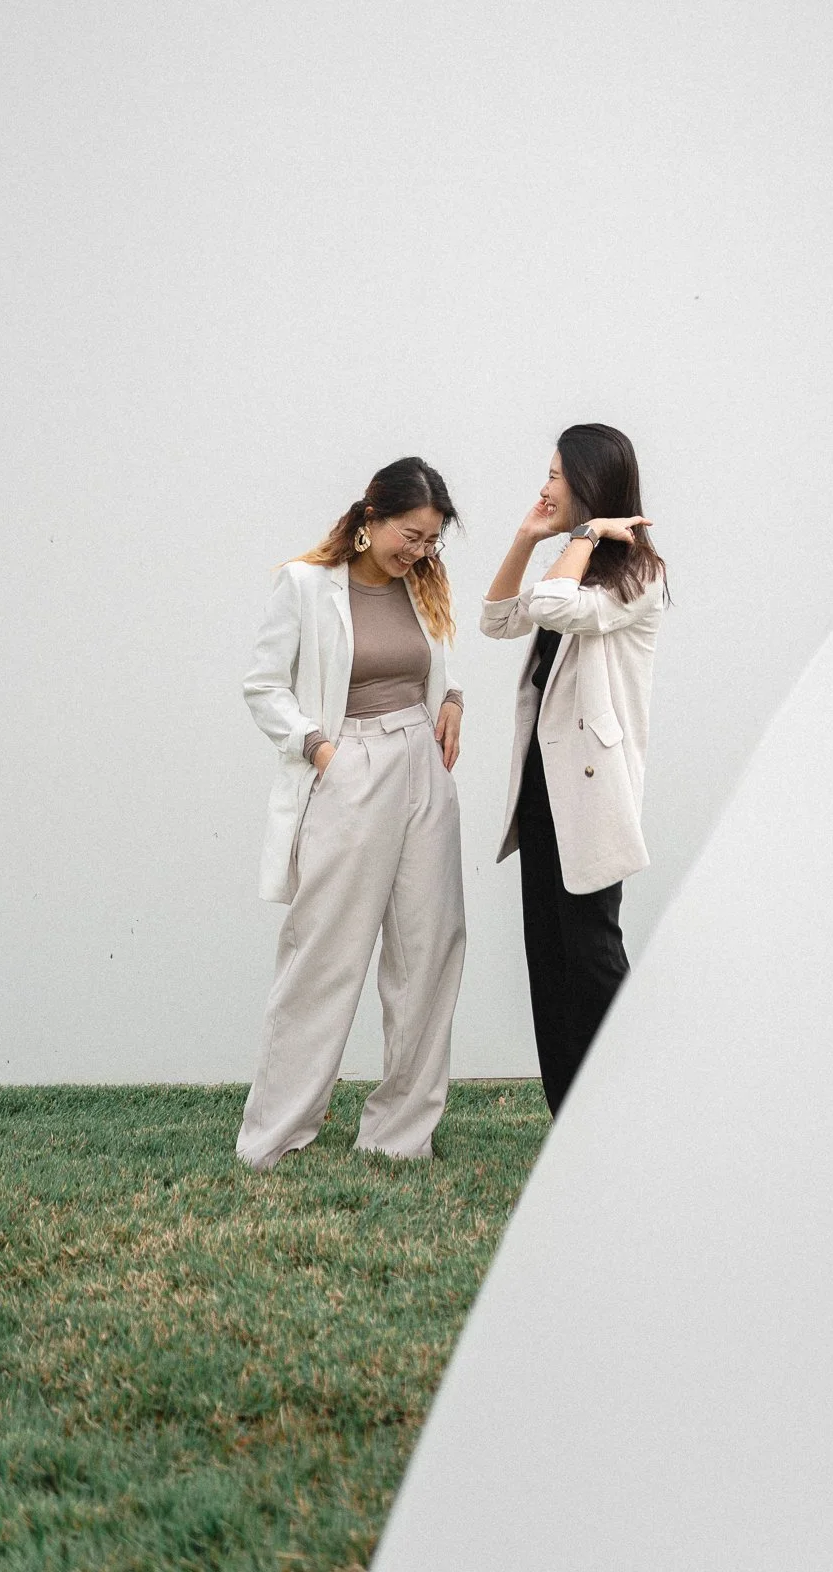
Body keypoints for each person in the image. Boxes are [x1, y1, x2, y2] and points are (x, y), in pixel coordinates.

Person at [236, 457, 466, 1170]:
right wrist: (318, 748)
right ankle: (275, 1135)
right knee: (324, 954)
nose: (419, 551)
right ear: (371, 519)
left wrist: (453, 700)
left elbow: (434, 661)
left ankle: (400, 1135)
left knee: (429, 952)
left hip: (422, 765)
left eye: (431, 539)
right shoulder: (305, 584)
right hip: (350, 763)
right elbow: (264, 686)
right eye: (409, 535)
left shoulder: (423, 581)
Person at [482, 424, 666, 1116]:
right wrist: (529, 537)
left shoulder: (639, 572)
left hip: (590, 789)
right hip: (541, 786)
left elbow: (555, 608)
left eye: (556, 474)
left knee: (591, 953)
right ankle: (571, 1121)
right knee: (549, 957)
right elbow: (497, 620)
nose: (545, 486)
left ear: (589, 483)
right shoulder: (573, 563)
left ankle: (637, 1108)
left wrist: (583, 535)